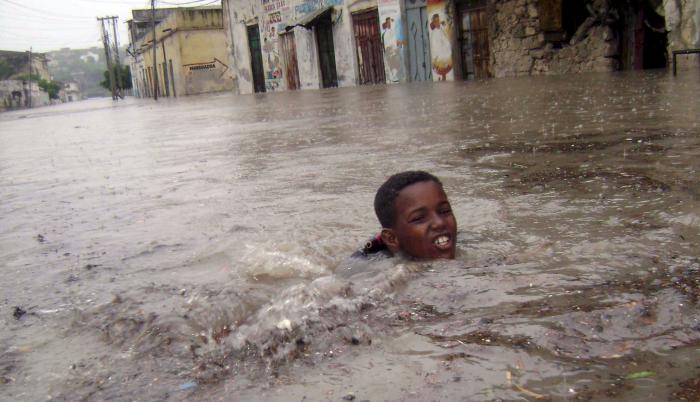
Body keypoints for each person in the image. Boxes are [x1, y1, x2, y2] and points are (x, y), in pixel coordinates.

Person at [355, 171, 457, 260]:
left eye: (444, 211)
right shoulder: (388, 277)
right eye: (419, 218)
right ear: (392, 238)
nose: (440, 223)